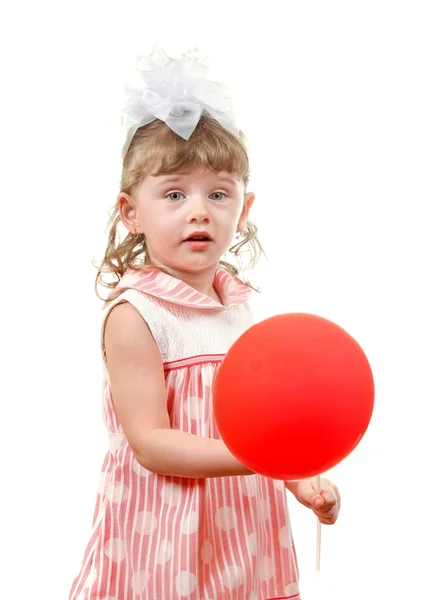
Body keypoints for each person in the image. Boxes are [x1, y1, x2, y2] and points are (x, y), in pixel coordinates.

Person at [69, 45, 340, 600]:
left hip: (242, 526)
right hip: (166, 528)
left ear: (243, 209)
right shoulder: (136, 314)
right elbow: (149, 442)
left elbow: (263, 419)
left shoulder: (235, 308)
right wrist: (257, 457)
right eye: (174, 194)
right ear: (131, 211)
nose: (199, 211)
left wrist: (299, 476)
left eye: (219, 194)